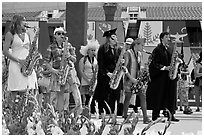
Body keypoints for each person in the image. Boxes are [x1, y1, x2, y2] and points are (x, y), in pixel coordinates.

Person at [2, 15, 38, 134]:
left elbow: (28, 49)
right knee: (15, 90)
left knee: (29, 90)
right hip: (16, 64)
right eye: (23, 23)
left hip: (27, 64)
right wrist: (18, 60)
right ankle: (12, 116)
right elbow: (5, 51)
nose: (25, 25)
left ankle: (28, 116)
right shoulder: (10, 34)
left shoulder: (27, 34)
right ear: (17, 24)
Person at [44, 27, 82, 118]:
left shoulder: (68, 45)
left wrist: (68, 55)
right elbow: (46, 62)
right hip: (59, 72)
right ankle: (60, 115)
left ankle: (78, 112)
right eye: (59, 34)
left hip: (70, 71)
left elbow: (74, 59)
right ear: (55, 36)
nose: (61, 35)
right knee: (60, 93)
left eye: (63, 34)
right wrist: (54, 70)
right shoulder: (51, 47)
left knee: (75, 91)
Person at [91, 28, 123, 122]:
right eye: (113, 37)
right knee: (103, 95)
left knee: (115, 96)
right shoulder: (102, 49)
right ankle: (103, 115)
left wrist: (122, 63)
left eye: (116, 37)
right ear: (109, 39)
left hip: (115, 76)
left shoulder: (118, 49)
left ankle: (113, 116)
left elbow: (119, 62)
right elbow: (100, 63)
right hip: (105, 76)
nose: (116, 39)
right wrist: (107, 73)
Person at [146, 32, 179, 122]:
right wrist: (165, 67)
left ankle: (171, 114)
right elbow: (154, 64)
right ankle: (155, 115)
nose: (168, 38)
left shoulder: (169, 49)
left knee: (170, 96)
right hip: (160, 77)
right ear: (161, 38)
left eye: (169, 36)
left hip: (169, 77)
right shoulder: (157, 50)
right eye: (166, 37)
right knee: (159, 96)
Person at [122, 38, 151, 124]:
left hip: (137, 79)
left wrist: (144, 71)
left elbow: (139, 66)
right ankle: (125, 116)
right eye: (142, 45)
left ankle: (145, 117)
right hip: (129, 78)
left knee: (143, 96)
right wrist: (131, 78)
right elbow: (124, 68)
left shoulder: (139, 54)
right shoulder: (128, 53)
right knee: (128, 97)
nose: (143, 47)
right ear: (136, 45)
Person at [79, 39, 99, 106]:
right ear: (87, 51)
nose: (93, 52)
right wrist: (88, 80)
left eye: (94, 50)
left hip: (93, 81)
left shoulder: (96, 60)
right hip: (85, 81)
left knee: (93, 98)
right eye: (92, 50)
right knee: (87, 98)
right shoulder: (83, 60)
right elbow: (81, 71)